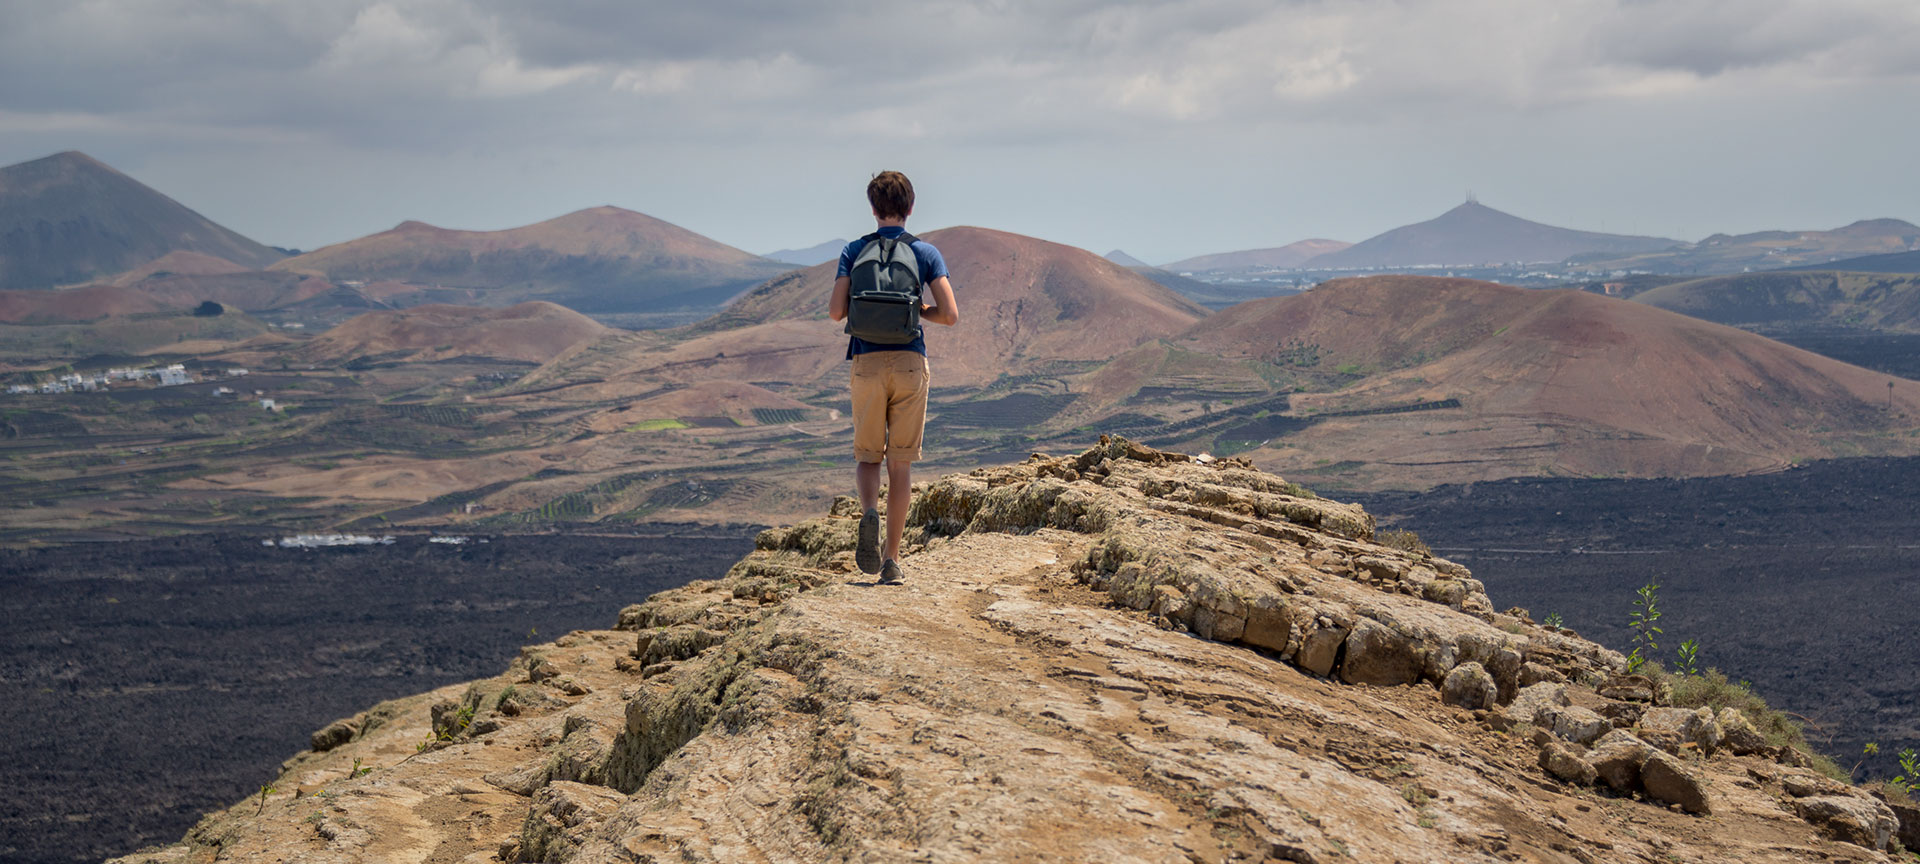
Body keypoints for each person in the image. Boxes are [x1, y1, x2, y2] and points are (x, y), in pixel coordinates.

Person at [827, 171, 959, 583]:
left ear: (872, 208)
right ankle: (892, 561)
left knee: (869, 456)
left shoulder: (854, 250)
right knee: (900, 466)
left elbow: (835, 312)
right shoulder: (925, 252)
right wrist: (917, 312)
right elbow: (950, 315)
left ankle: (869, 511)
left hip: (866, 362)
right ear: (911, 207)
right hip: (908, 363)